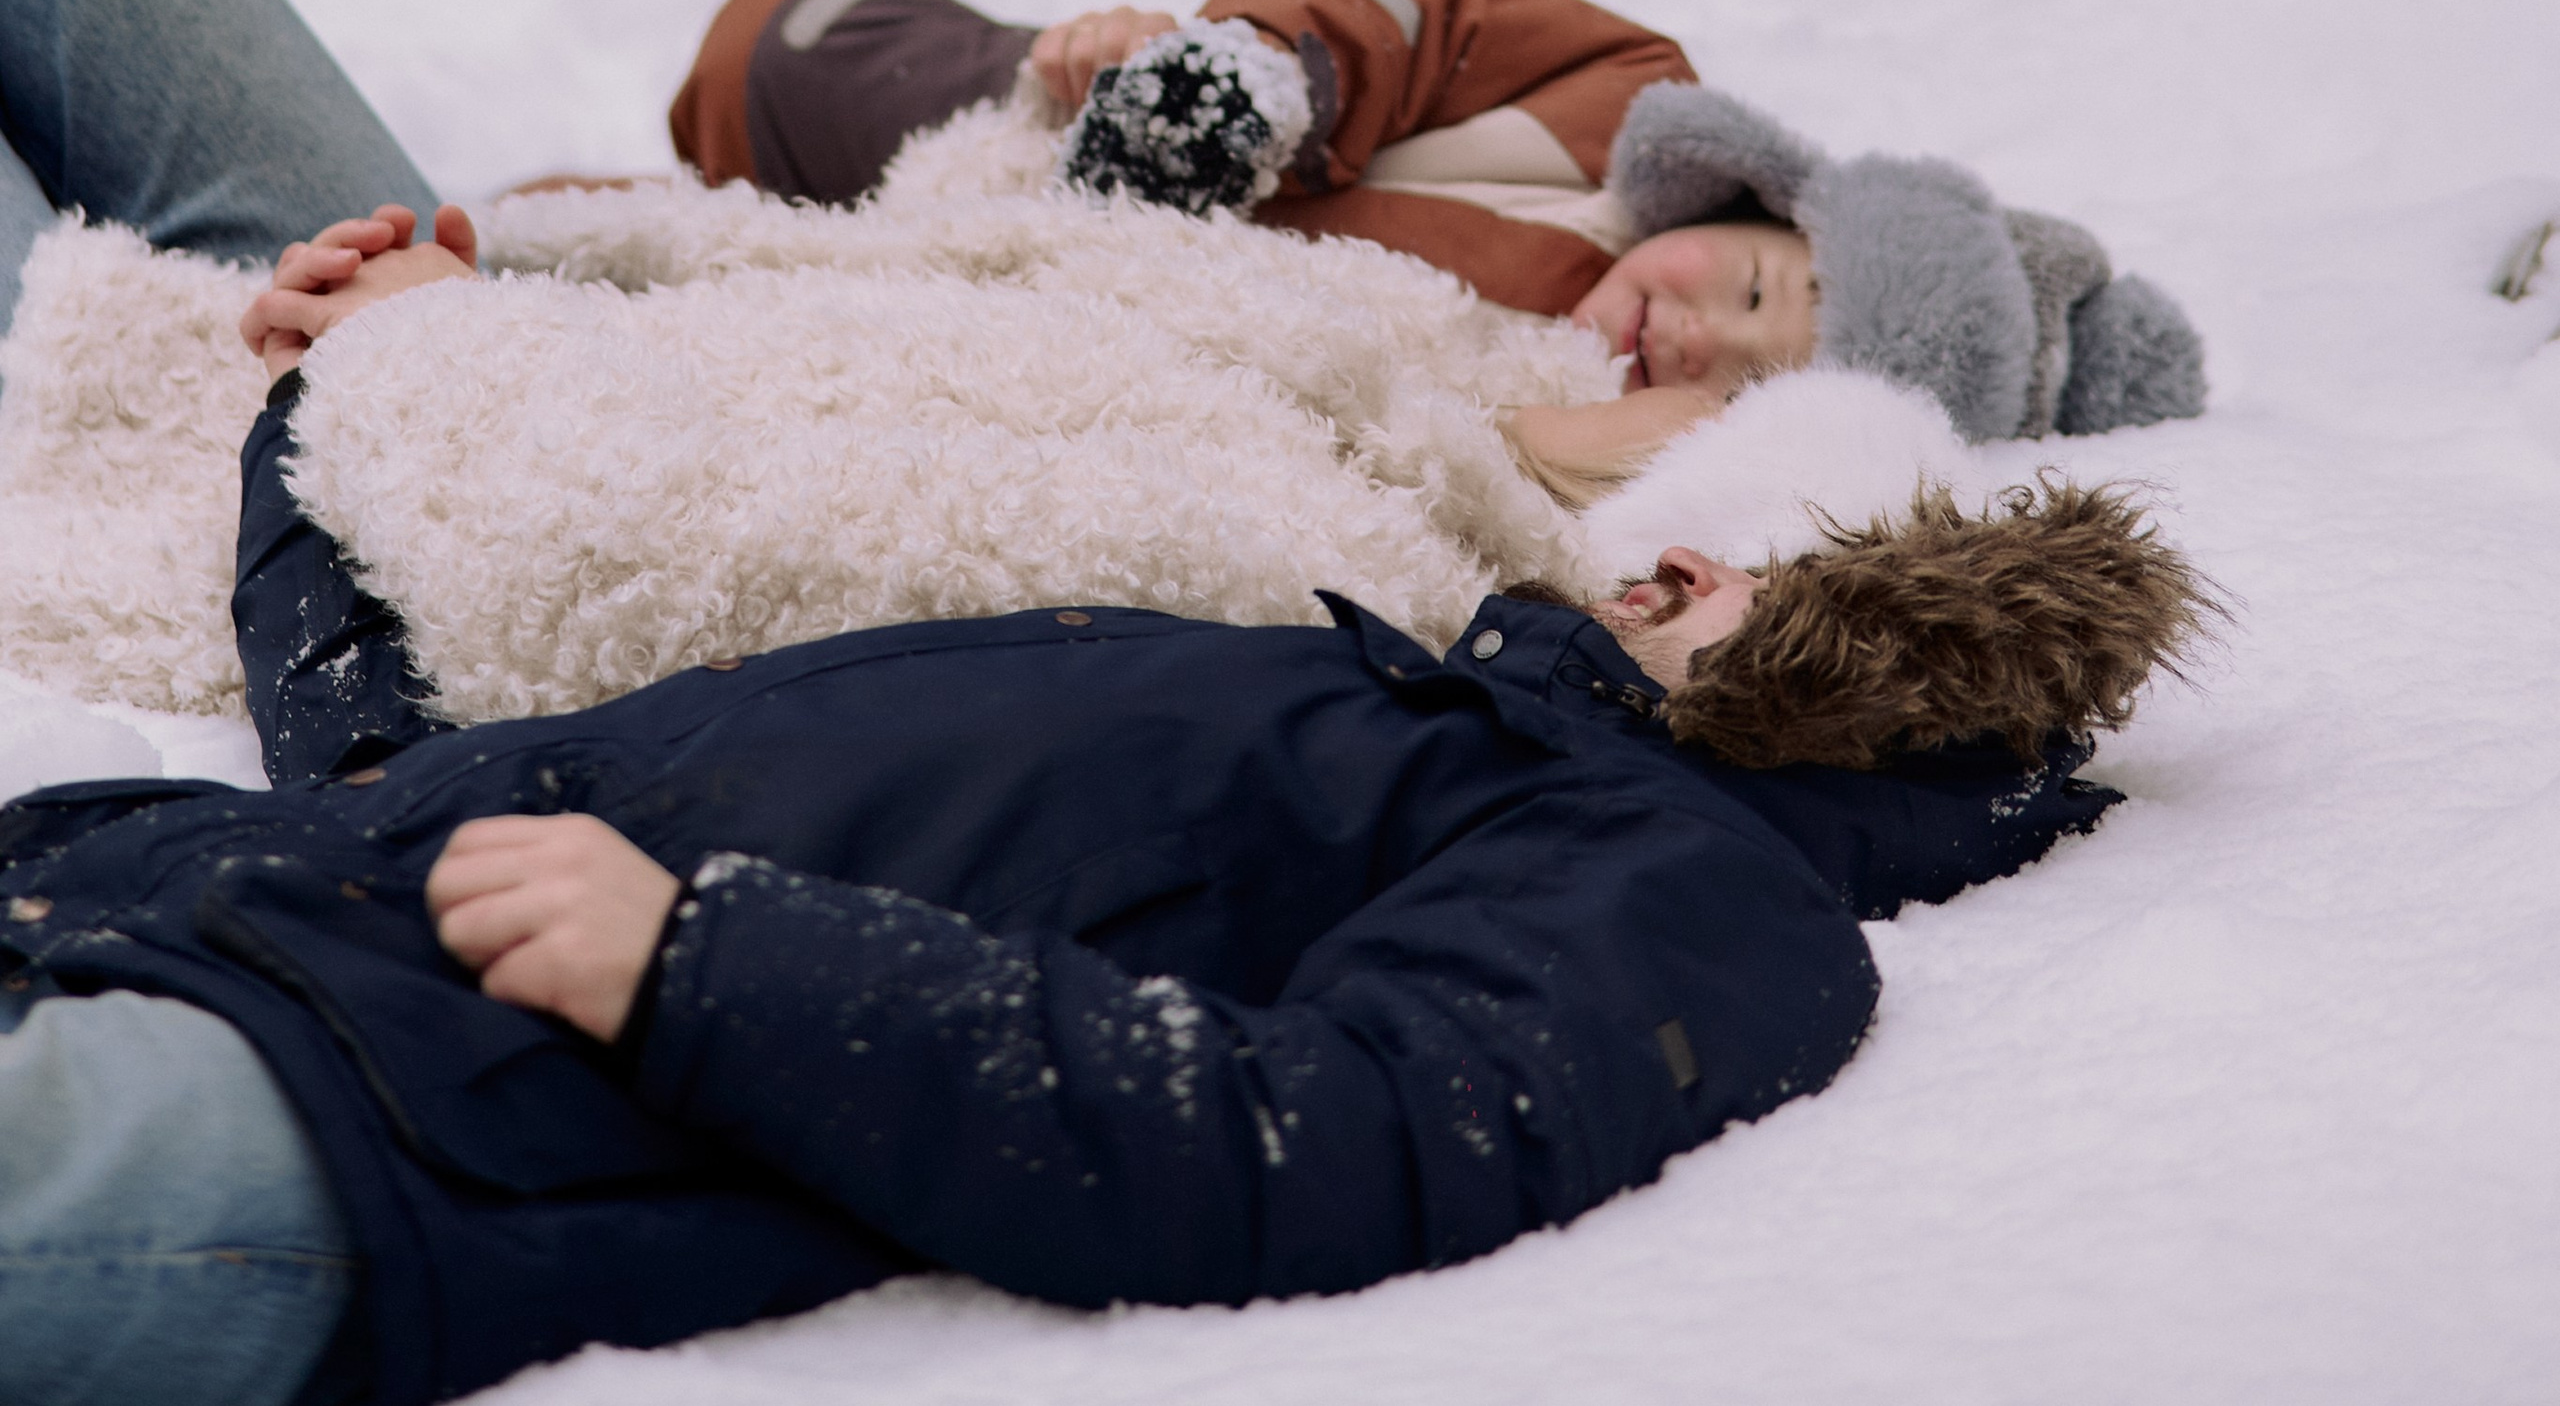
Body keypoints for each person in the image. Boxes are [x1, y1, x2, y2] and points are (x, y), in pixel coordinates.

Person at [0, 239, 2209, 1406]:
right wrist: (329, 421)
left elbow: (1323, 1136)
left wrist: (707, 964)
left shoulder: (1688, 879)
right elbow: (403, 782)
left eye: (1767, 575)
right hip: (206, 919)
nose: (1678, 555)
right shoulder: (1411, 697)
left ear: (1878, 683)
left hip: (393, 1121)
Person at [0, 0, 2204, 463]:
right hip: (586, 269)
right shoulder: (1610, 122)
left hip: (455, 401)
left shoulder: (1524, 471)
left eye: (1748, 382)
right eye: (1755, 283)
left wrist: (488, 327)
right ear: (1761, 198)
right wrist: (1247, 73)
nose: (1694, 330)